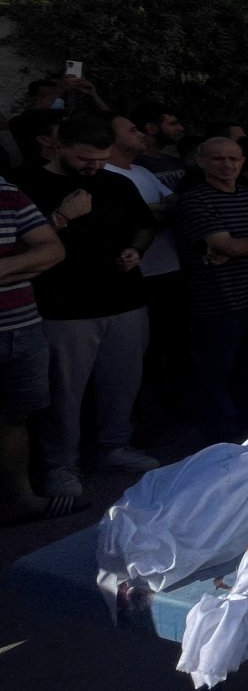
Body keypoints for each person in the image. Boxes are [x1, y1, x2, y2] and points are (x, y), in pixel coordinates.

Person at [13, 115, 159, 497]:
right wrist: (61, 217)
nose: (93, 167)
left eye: (101, 159)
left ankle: (114, 448)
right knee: (63, 395)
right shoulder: (26, 185)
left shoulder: (117, 183)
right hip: (63, 308)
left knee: (121, 385)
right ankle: (60, 466)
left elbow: (145, 224)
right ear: (60, 146)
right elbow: (16, 248)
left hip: (124, 301)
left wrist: (136, 249)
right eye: (84, 159)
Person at [176, 137, 248, 438]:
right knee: (218, 370)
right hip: (219, 300)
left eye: (233, 159)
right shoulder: (194, 199)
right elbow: (229, 244)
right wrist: (247, 244)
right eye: (218, 159)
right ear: (200, 161)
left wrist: (235, 248)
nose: (227, 165)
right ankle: (222, 433)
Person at [105, 113, 188, 437]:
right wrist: (148, 213)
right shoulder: (107, 175)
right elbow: (129, 218)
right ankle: (146, 425)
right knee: (144, 356)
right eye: (132, 129)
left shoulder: (140, 171)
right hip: (138, 275)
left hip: (170, 270)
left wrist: (145, 213)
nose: (141, 133)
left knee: (176, 347)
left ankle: (176, 416)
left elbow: (175, 205)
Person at [0, 178, 71, 521]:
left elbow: (52, 250)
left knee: (15, 418)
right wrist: (23, 263)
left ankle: (22, 498)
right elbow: (38, 256)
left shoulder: (7, 193)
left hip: (20, 327)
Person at [130, 102, 188, 192]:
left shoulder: (176, 162)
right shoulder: (134, 165)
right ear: (152, 128)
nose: (180, 128)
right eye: (173, 124)